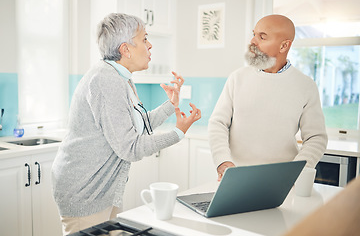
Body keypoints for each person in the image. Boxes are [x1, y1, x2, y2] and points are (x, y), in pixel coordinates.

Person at [51, 13, 201, 235]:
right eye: (144, 39)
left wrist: (170, 106)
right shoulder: (106, 80)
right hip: (85, 191)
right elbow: (130, 147)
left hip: (102, 189)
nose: (150, 46)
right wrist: (178, 133)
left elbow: (137, 125)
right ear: (125, 49)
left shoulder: (122, 77)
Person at [208, 14, 327, 181]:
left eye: (262, 37)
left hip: (282, 182)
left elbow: (316, 137)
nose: (252, 42)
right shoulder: (237, 78)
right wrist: (223, 161)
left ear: (284, 45)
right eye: (254, 34)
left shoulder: (306, 86)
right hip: (236, 177)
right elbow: (218, 123)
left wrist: (296, 172)